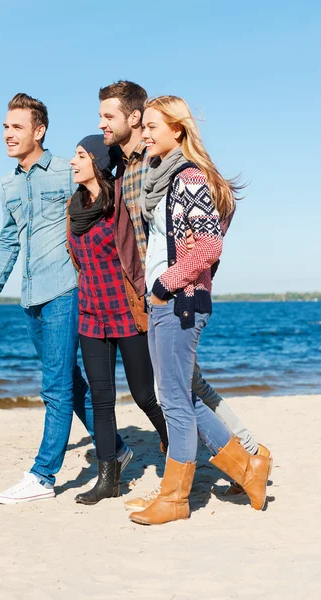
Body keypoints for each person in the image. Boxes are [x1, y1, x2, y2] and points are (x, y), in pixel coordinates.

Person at [98, 81, 271, 508]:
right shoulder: (162, 176)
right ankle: (249, 466)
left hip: (181, 300)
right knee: (183, 397)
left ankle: (175, 496)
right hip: (166, 301)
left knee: (174, 400)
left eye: (154, 126)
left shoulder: (188, 177)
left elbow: (210, 245)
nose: (147, 134)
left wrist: (163, 285)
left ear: (178, 130)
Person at [0, 94, 132, 504]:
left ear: (39, 130)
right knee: (70, 381)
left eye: (17, 127)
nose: (9, 135)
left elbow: (106, 195)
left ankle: (43, 476)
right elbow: (9, 240)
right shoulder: (7, 184)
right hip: (30, 297)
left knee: (55, 387)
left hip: (66, 290)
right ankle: (117, 448)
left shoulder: (67, 170)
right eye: (5, 128)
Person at [66, 135, 169, 506]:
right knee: (101, 399)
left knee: (144, 394)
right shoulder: (73, 207)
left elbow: (136, 253)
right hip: (91, 314)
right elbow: (78, 261)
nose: (73, 162)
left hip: (127, 310)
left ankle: (176, 448)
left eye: (80, 156)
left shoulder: (120, 205)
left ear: (97, 161)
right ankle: (108, 477)